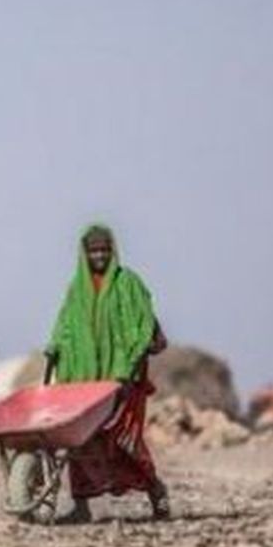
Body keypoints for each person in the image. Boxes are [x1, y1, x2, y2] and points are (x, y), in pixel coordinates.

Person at [44, 224, 172, 523]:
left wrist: (126, 369)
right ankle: (81, 505)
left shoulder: (128, 283)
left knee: (122, 439)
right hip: (84, 382)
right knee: (80, 439)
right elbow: (65, 327)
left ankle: (155, 489)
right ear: (84, 254)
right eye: (93, 251)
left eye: (104, 249)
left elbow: (143, 326)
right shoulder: (76, 289)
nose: (99, 255)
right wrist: (53, 347)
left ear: (112, 251)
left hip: (123, 380)